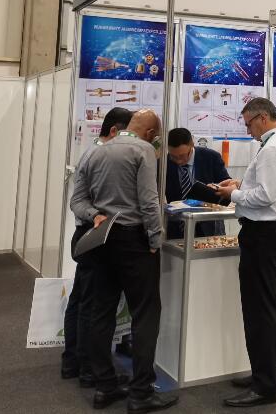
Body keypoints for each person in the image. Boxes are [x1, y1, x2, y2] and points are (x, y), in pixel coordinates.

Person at [70, 109, 178, 413]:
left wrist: (95, 215)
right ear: (150, 134)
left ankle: (104, 386)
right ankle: (141, 393)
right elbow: (149, 201)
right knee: (145, 314)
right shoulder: (143, 150)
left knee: (101, 311)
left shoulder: (95, 151)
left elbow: (77, 201)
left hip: (102, 240)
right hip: (134, 242)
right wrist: (155, 240)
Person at [212, 98, 276, 408]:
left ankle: (265, 386)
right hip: (269, 234)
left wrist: (233, 194)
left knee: (261, 312)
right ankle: (264, 374)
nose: (248, 131)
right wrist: (240, 184)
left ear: (262, 118)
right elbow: (266, 186)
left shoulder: (274, 148)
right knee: (267, 310)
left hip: (263, 235)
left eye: (248, 124)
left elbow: (265, 195)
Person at [62, 107, 132, 386]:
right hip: (93, 235)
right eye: (128, 134)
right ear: (114, 131)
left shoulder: (93, 152)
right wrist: (96, 215)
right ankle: (88, 367)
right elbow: (79, 201)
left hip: (88, 233)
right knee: (91, 304)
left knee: (81, 299)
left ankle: (73, 362)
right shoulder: (98, 155)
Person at [165, 127, 232, 239]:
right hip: (177, 227)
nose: (179, 161)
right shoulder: (164, 163)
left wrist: (214, 188)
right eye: (174, 156)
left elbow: (227, 184)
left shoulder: (211, 157)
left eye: (182, 156)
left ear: (192, 144)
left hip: (209, 224)